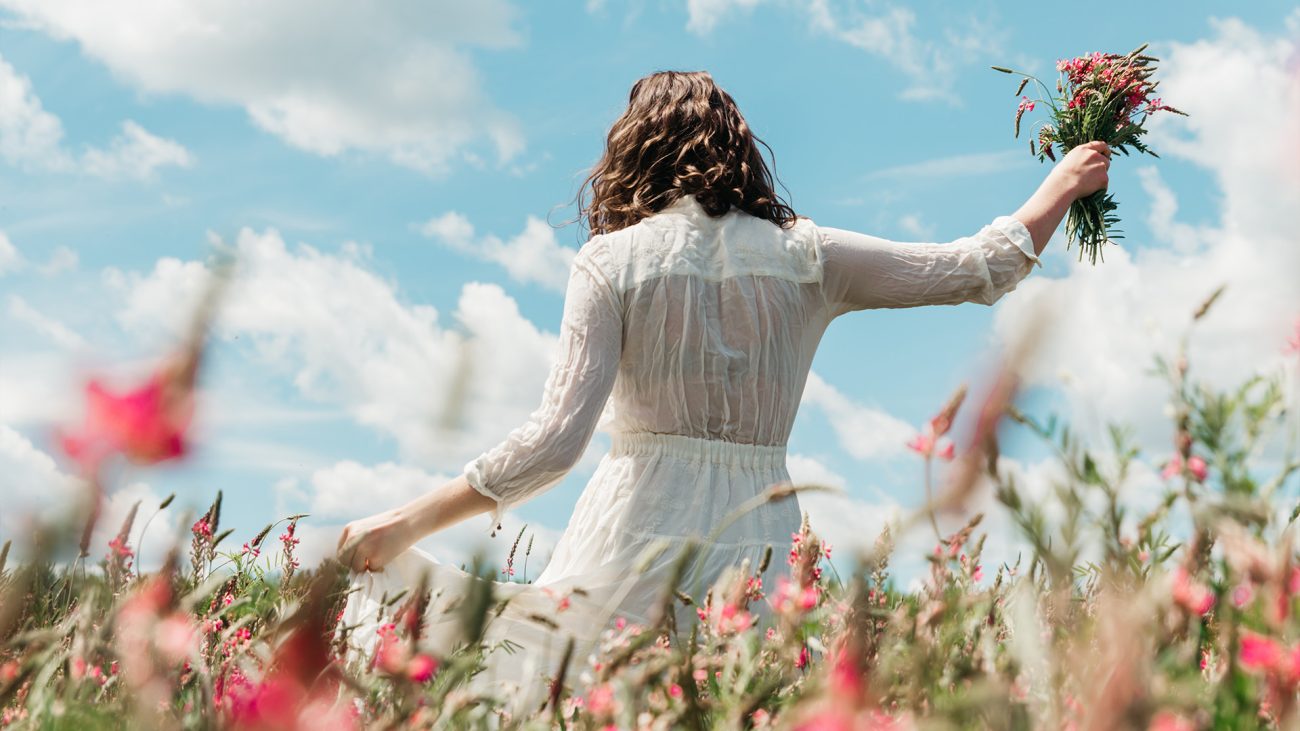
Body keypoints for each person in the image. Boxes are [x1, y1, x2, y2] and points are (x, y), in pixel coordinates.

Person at [336, 70, 1110, 716]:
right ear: (739, 153)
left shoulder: (610, 263)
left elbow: (554, 443)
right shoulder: (808, 256)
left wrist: (400, 523)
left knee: (585, 704)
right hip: (765, 538)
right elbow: (973, 269)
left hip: (632, 529)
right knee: (755, 704)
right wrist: (1062, 183)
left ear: (632, 154)